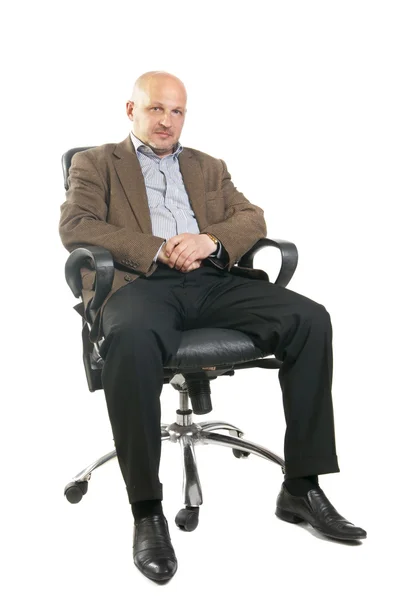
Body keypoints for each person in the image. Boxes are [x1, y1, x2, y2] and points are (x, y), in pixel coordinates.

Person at [59, 71, 366, 583]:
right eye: (156, 109)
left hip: (214, 279)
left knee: (309, 319)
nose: (166, 121)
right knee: (132, 339)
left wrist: (209, 241)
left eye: (177, 111)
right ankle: (147, 510)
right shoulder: (96, 163)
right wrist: (156, 249)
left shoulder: (207, 165)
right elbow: (77, 226)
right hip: (140, 284)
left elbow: (252, 218)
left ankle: (301, 487)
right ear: (131, 110)